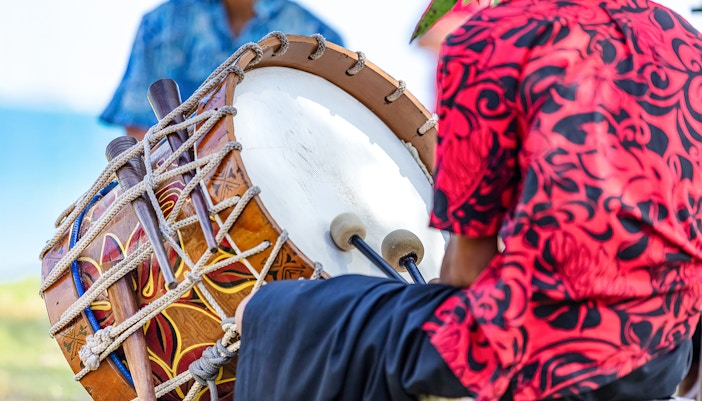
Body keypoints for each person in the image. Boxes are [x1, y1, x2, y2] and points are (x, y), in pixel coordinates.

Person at [233, 0, 702, 400]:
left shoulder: (489, 41)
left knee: (280, 312)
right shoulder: (683, 38)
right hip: (665, 349)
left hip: (540, 348)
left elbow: (465, 273)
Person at [100, 0, 344, 140]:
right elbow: (140, 130)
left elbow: (322, 138)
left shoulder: (317, 37)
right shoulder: (161, 23)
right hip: (178, 189)